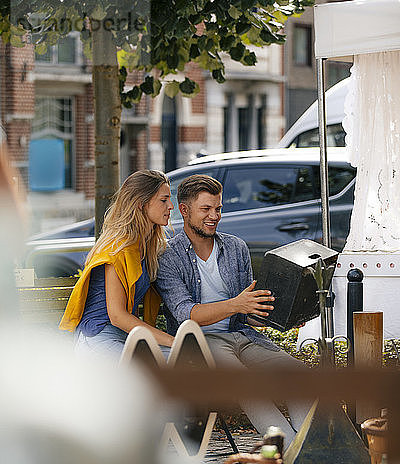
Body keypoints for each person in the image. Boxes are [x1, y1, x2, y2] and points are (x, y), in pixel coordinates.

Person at [156, 174, 312, 442]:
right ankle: (289, 454)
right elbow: (185, 315)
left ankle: (311, 446)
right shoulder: (168, 256)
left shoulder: (236, 247)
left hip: (242, 336)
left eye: (218, 209)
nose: (214, 216)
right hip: (201, 342)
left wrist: (280, 317)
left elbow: (246, 314)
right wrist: (236, 304)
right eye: (205, 209)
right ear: (184, 210)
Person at [60, 170, 174, 358]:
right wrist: (171, 340)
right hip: (97, 340)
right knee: (153, 373)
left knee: (184, 362)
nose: (170, 206)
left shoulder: (145, 246)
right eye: (164, 200)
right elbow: (117, 316)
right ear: (141, 204)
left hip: (127, 339)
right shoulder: (116, 250)